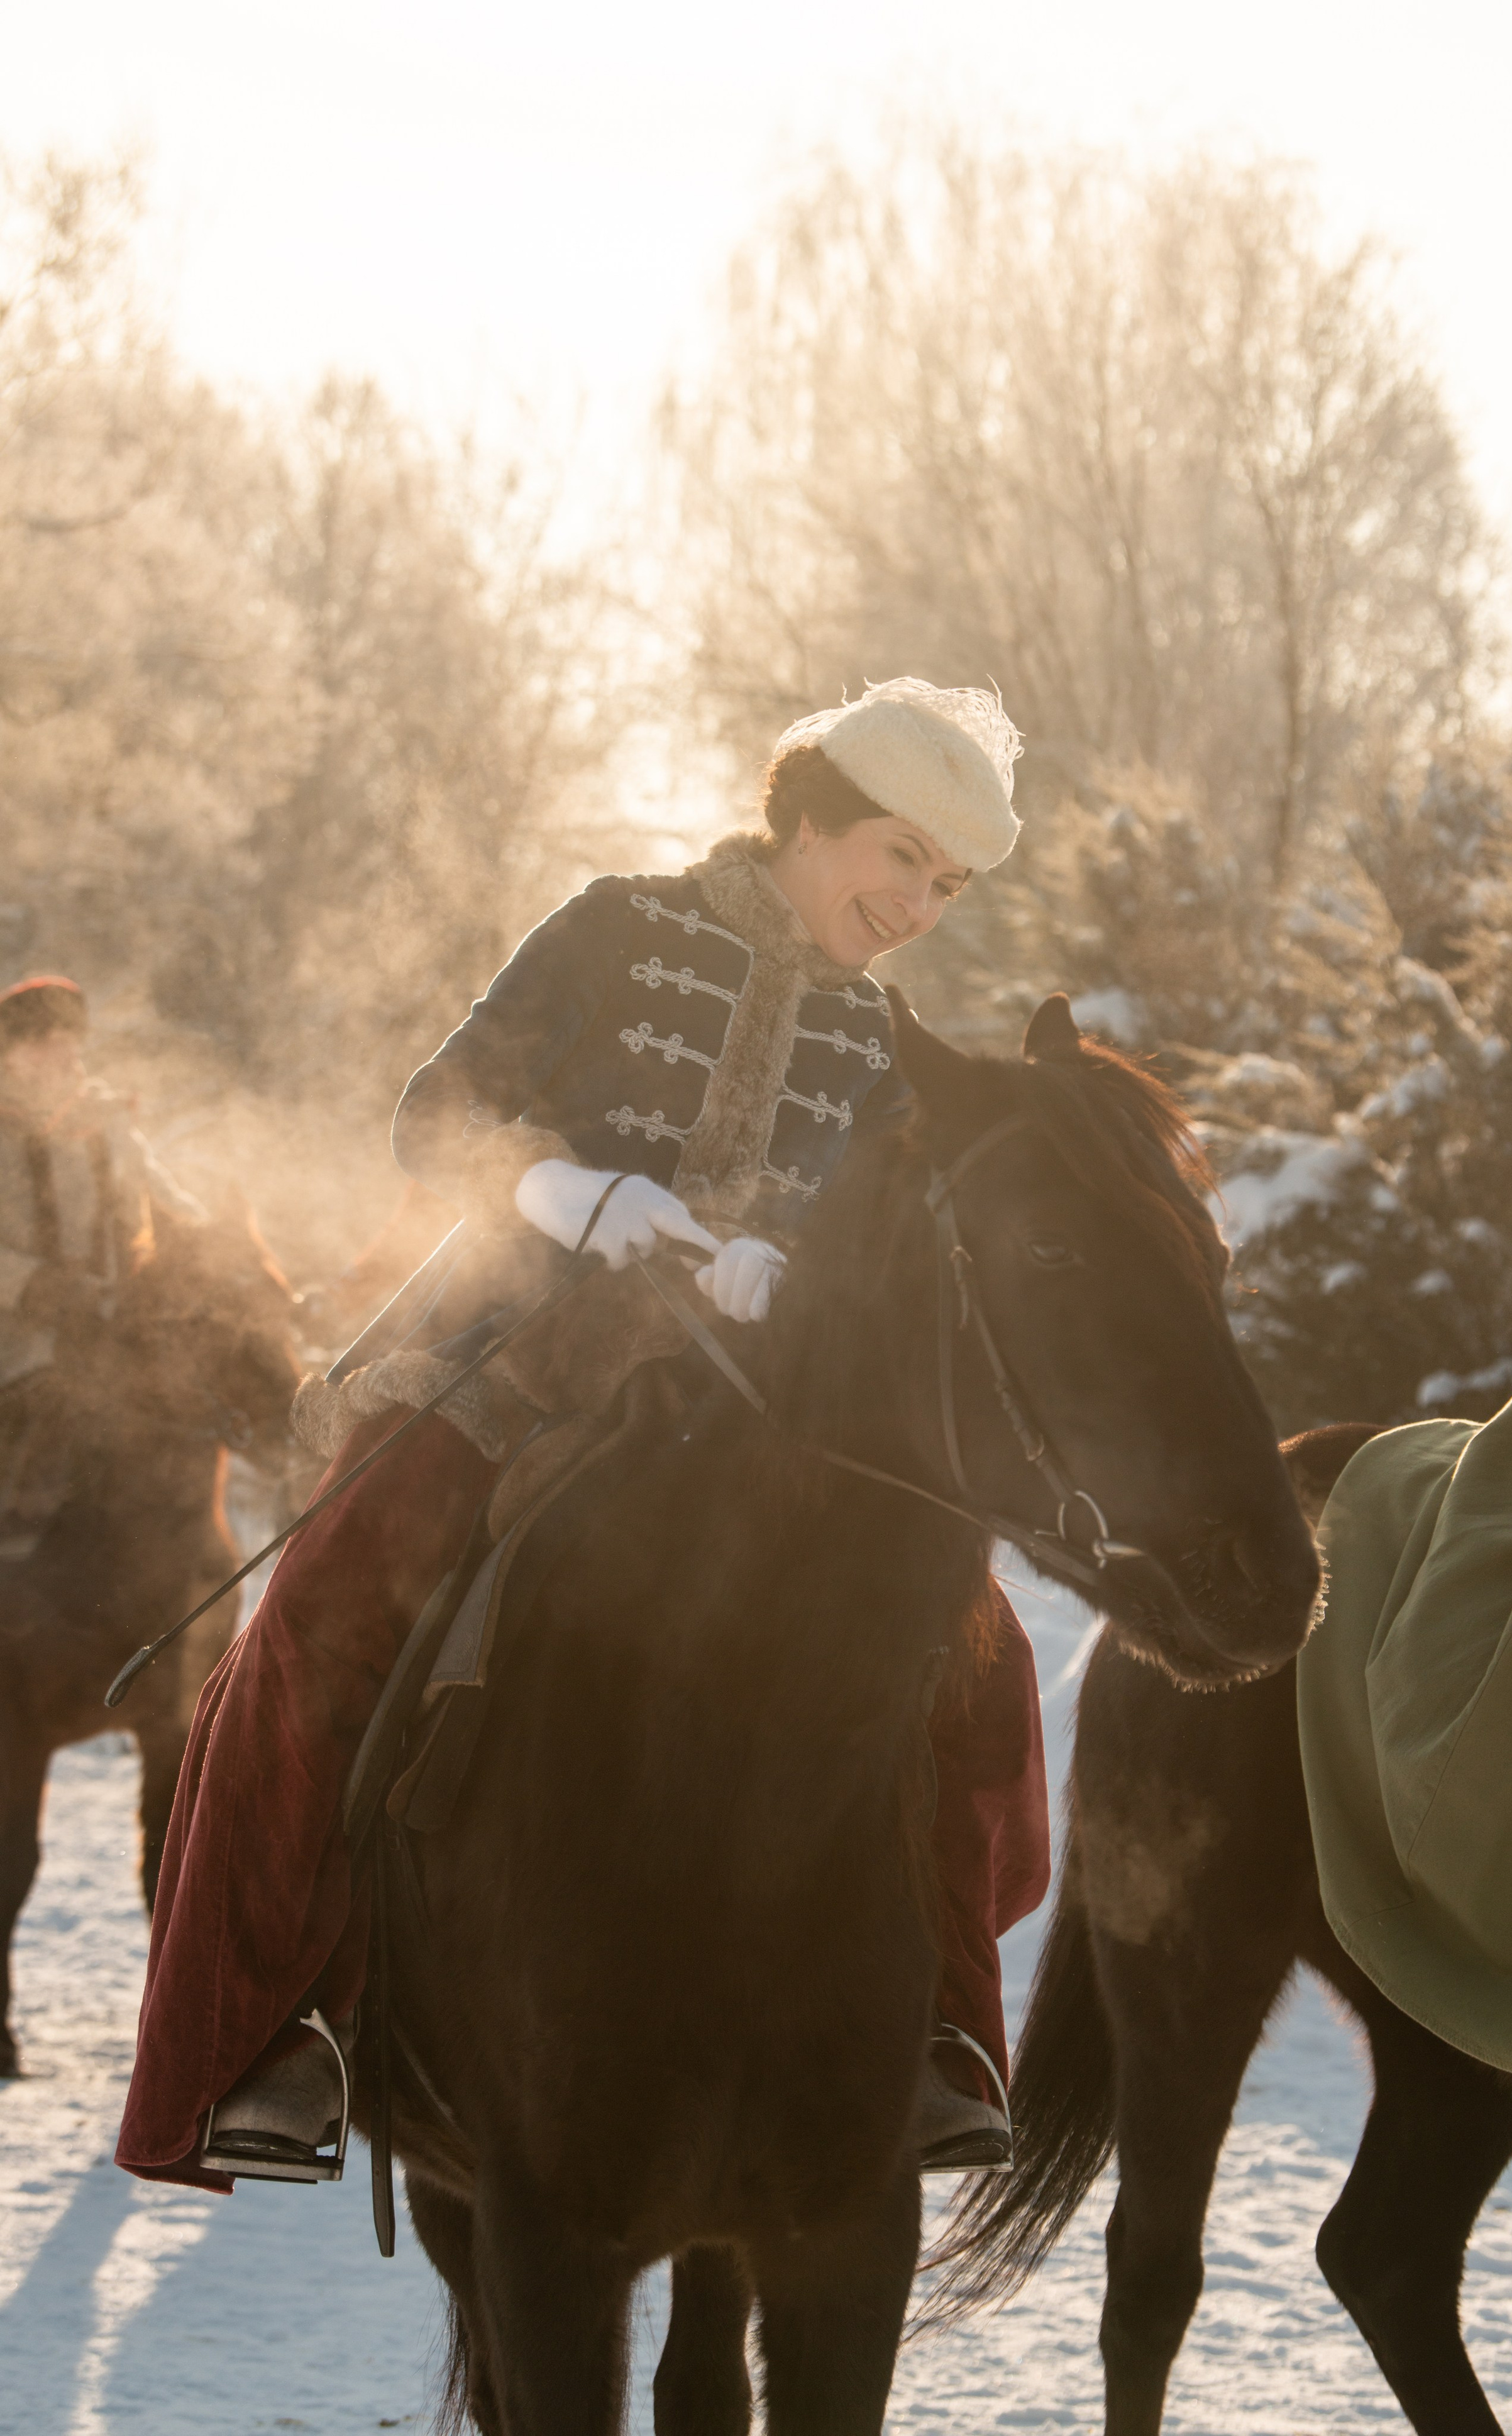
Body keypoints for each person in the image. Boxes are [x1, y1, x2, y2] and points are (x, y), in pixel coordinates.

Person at [117, 677, 1052, 2189]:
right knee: (319, 1609)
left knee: (976, 1650)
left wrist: (798, 1280)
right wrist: (573, 1193)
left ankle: (939, 2023)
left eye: (945, 885)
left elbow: (897, 1260)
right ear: (807, 816)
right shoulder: (615, 924)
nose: (917, 903)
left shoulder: (885, 1043)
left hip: (762, 1413)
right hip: (515, 1359)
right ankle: (276, 2028)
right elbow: (438, 1112)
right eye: (898, 856)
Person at [0, 976, 202, 1540]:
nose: (65, 1053)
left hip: (114, 1317)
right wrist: (33, 1284)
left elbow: (155, 1189)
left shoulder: (104, 1118)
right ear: (13, 1056)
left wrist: (206, 1230)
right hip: (19, 1339)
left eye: (69, 1038)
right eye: (44, 1041)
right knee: (54, 1404)